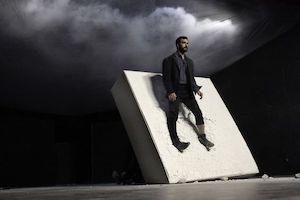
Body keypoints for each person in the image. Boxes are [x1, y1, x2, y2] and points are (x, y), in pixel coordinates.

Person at [162, 36, 214, 152]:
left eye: (187, 43)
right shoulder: (168, 60)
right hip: (176, 91)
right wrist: (170, 91)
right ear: (177, 44)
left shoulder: (189, 62)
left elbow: (191, 78)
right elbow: (166, 78)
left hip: (187, 91)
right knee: (173, 115)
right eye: (183, 43)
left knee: (198, 113)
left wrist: (196, 89)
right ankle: (176, 141)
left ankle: (203, 137)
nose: (186, 45)